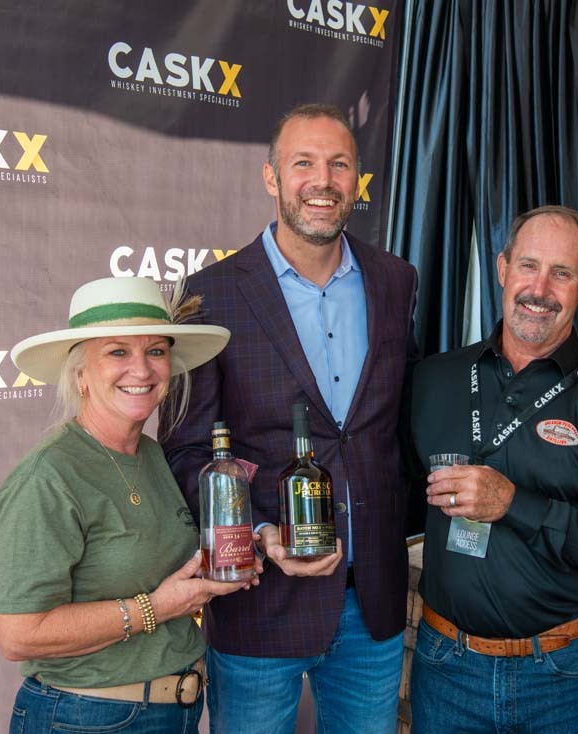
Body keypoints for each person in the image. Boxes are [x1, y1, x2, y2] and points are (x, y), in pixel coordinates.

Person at [161, 103, 420, 733]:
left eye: (339, 164)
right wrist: (258, 534)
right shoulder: (210, 294)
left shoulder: (396, 280)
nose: (322, 181)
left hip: (373, 602)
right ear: (271, 178)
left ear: (357, 178)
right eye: (303, 163)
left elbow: (392, 428)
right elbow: (187, 452)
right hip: (259, 602)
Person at [408, 204, 578, 733]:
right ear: (503, 268)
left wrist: (514, 504)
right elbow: (391, 494)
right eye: (528, 265)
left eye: (561, 273)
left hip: (565, 676)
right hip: (447, 665)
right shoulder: (434, 379)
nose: (539, 288)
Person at [0, 276, 261, 733]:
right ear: (80, 374)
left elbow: (147, 567)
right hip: (87, 718)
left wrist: (218, 570)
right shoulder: (48, 476)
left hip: (175, 711)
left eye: (155, 351)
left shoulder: (151, 455)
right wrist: (157, 607)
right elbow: (19, 635)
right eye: (118, 352)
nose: (142, 369)